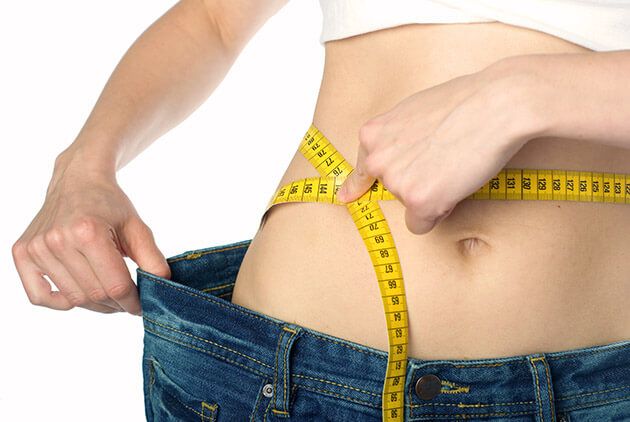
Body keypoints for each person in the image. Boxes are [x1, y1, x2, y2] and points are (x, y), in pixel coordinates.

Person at [11, 0, 630, 420]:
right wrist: (82, 166)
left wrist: (521, 94)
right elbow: (214, 18)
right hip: (279, 377)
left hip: (602, 387)